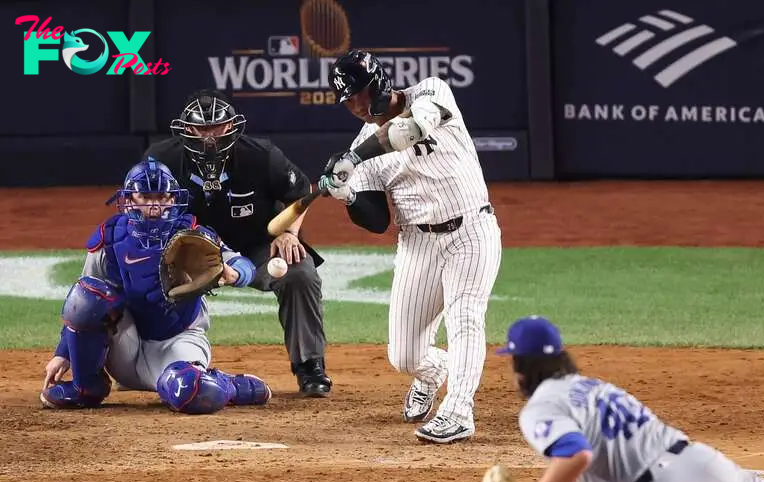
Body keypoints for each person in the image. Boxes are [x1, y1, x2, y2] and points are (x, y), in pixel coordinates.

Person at [318, 50, 502, 443]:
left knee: (465, 316)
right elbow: (377, 220)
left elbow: (407, 132)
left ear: (377, 83)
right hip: (417, 243)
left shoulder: (431, 92)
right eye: (346, 101)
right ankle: (435, 373)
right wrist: (347, 193)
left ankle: (458, 412)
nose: (354, 106)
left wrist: (352, 158)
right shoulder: (362, 146)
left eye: (357, 95)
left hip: (471, 229)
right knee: (403, 355)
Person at [479, 315, 764, 482]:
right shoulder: (595, 387)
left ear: (520, 366)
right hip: (711, 470)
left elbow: (577, 454)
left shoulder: (540, 406)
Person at [40, 158, 270, 414]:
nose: (154, 205)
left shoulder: (192, 235)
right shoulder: (110, 237)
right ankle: (86, 387)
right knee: (90, 295)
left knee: (191, 391)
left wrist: (234, 273)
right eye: (144, 196)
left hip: (177, 340)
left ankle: (231, 385)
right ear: (129, 198)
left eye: (161, 196)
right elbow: (81, 302)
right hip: (126, 345)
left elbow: (244, 265)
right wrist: (64, 353)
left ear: (173, 199)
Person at [145, 89, 331, 398]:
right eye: (201, 129)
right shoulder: (162, 160)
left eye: (216, 127)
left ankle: (310, 365)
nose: (209, 137)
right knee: (142, 271)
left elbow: (300, 193)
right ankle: (142, 360)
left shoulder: (261, 155)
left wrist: (289, 234)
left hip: (259, 247)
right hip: (190, 253)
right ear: (186, 129)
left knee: (300, 272)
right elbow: (143, 209)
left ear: (231, 126)